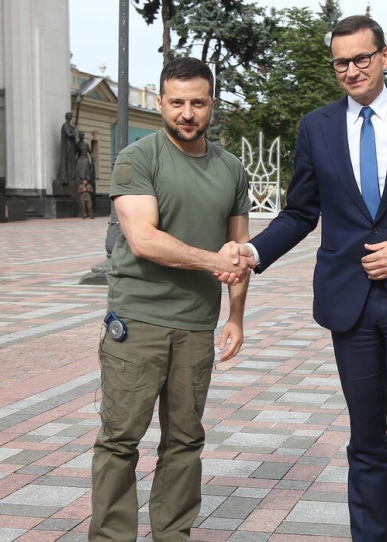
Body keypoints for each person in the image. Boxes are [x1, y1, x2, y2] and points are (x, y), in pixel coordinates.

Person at [225, 15, 387, 542]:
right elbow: (299, 212)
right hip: (350, 307)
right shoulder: (316, 126)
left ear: (385, 57)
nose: (352, 70)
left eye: (362, 58)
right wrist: (252, 250)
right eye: (342, 62)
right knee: (365, 442)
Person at [89, 57, 255, 542]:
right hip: (138, 323)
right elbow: (144, 240)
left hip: (196, 327)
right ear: (160, 102)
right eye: (177, 102)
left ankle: (173, 536)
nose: (187, 112)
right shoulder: (138, 159)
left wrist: (236, 317)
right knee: (120, 441)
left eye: (197, 102)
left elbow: (239, 254)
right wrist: (213, 262)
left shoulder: (231, 169)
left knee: (185, 441)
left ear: (212, 105)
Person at [59, 112, 78, 185]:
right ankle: (66, 177)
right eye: (70, 116)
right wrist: (74, 133)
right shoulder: (65, 126)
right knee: (68, 161)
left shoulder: (70, 126)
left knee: (72, 161)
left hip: (71, 145)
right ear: (67, 117)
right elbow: (69, 134)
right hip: (67, 146)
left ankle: (71, 176)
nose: (72, 117)